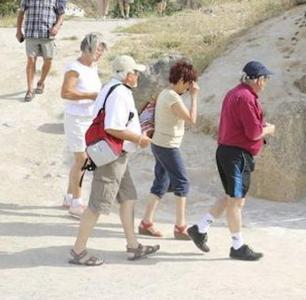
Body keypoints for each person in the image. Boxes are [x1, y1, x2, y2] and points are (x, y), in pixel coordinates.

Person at [69, 55, 159, 266]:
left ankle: (133, 246)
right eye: (135, 72)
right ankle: (78, 250)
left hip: (114, 154)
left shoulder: (109, 87)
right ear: (127, 75)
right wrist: (139, 138)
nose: (138, 75)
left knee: (128, 197)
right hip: (112, 156)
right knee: (98, 204)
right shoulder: (120, 93)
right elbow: (112, 127)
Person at [187, 61, 275, 261]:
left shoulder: (234, 93)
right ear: (258, 80)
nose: (266, 83)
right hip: (238, 156)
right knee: (236, 202)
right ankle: (238, 246)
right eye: (265, 79)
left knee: (230, 197)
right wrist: (269, 129)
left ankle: (200, 228)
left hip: (227, 152)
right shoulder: (246, 98)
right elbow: (253, 133)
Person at [139, 60, 198, 240]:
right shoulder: (172, 97)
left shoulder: (164, 93)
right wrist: (195, 97)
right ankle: (180, 227)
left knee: (162, 182)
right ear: (181, 80)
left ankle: (146, 223)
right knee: (182, 182)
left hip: (160, 143)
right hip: (168, 146)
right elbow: (191, 119)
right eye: (188, 85)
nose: (188, 89)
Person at [60, 32, 107, 217]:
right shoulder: (74, 67)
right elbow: (66, 93)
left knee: (80, 159)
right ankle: (77, 203)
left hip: (90, 119)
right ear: (88, 48)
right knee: (82, 160)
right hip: (76, 119)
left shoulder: (93, 67)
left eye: (102, 50)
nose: (100, 53)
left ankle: (69, 197)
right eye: (98, 49)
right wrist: (91, 96)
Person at [15, 0, 64, 102]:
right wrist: (19, 30)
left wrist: (57, 26)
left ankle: (41, 82)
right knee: (31, 60)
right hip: (31, 34)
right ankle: (30, 90)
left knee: (48, 60)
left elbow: (61, 14)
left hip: (47, 35)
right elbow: (21, 13)